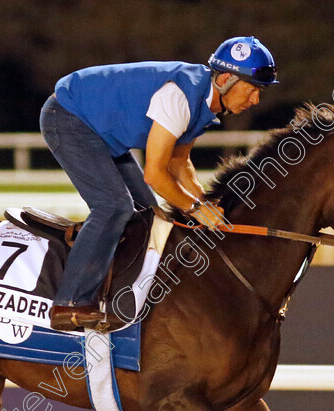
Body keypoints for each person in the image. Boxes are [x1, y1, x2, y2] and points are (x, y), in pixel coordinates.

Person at [40, 36, 279, 330]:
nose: (255, 100)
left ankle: (114, 292)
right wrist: (195, 209)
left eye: (260, 92)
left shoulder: (205, 102)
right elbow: (154, 174)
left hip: (103, 134)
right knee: (114, 207)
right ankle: (70, 303)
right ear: (226, 79)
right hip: (68, 117)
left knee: (146, 215)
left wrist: (205, 203)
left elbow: (179, 163)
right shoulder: (180, 96)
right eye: (253, 89)